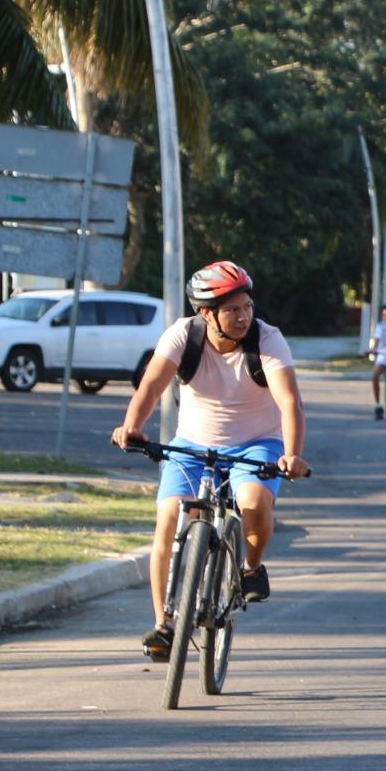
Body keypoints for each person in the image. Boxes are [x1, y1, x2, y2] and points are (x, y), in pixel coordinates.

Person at [110, 261, 309, 660]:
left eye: (247, 307)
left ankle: (251, 568)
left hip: (258, 444)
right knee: (168, 519)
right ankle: (164, 625)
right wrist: (131, 426)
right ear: (206, 313)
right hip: (192, 445)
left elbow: (289, 403)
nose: (243, 316)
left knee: (253, 505)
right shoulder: (184, 336)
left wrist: (291, 455)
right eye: (232, 310)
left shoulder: (267, 340)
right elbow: (151, 386)